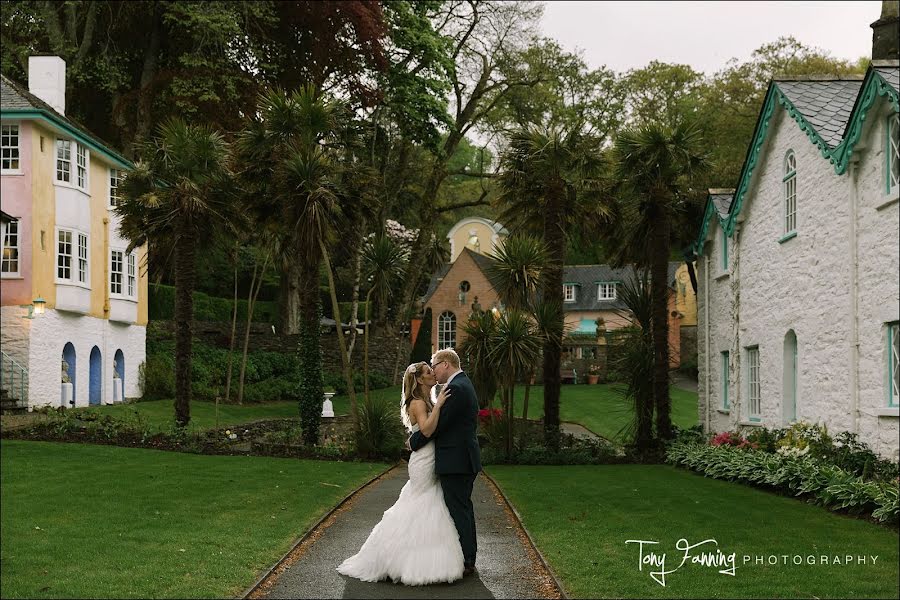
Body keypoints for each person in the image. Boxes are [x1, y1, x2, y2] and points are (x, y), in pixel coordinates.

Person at [336, 362, 464, 585]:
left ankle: (427, 560)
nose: (433, 373)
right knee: (420, 502)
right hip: (423, 460)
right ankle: (403, 561)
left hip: (431, 455)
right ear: (420, 380)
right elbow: (426, 430)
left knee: (431, 501)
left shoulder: (427, 400)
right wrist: (441, 405)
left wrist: (437, 404)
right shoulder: (417, 403)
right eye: (428, 372)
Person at [408, 348, 482, 576]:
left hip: (456, 461)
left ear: (446, 364)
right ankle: (467, 556)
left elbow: (436, 428)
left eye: (435, 365)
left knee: (459, 510)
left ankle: (467, 559)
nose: (434, 371)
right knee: (463, 508)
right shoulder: (462, 384)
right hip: (460, 458)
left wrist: (413, 441)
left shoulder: (455, 389)